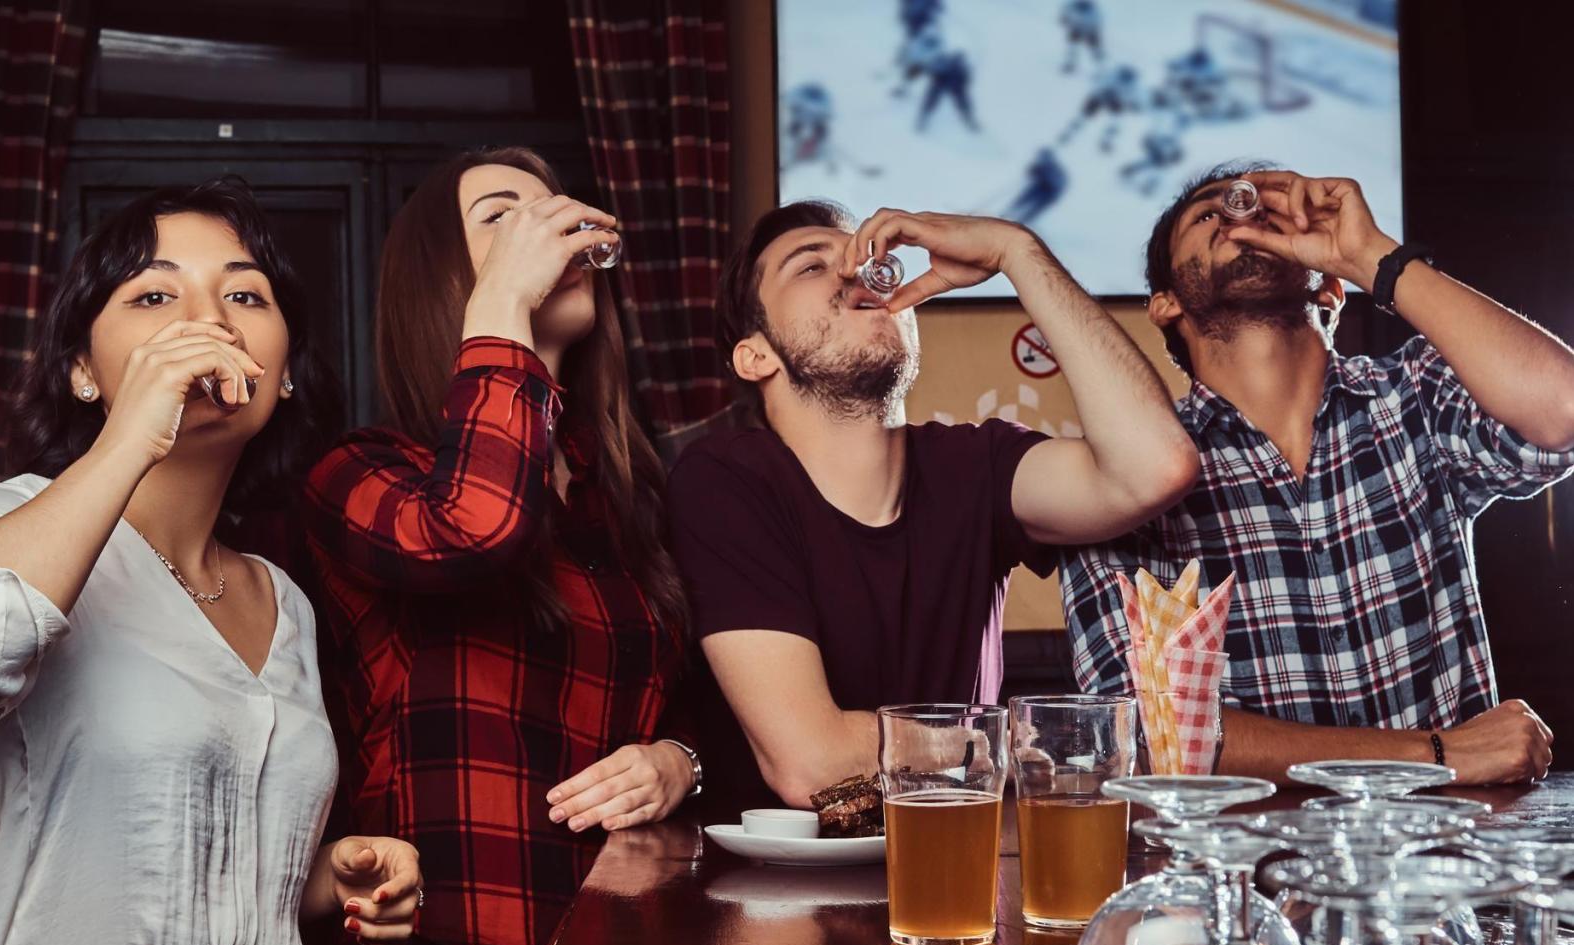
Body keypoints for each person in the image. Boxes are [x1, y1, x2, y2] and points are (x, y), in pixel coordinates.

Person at [0, 178, 421, 945]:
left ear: (287, 371)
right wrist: (133, 435)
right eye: (153, 297)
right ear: (83, 372)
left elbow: (208, 870)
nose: (208, 320)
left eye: (245, 294)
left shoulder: (285, 602)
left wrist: (334, 882)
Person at [669, 200, 1199, 814]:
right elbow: (810, 763)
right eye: (810, 268)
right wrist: (994, 748)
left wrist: (1016, 253)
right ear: (755, 355)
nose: (855, 273)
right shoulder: (726, 482)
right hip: (773, 894)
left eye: (866, 260)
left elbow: (1157, 467)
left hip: (962, 868)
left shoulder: (974, 465)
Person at [301, 147, 699, 945]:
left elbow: (690, 699)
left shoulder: (624, 485)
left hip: (628, 931)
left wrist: (678, 762)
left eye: (552, 208)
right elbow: (473, 531)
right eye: (503, 218)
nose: (549, 228)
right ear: (443, 280)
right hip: (455, 938)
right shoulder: (359, 470)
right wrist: (504, 303)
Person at [1062, 163, 1574, 784]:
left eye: (1266, 216)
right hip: (1243, 870)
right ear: (1164, 303)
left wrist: (1374, 260)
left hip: (1444, 863)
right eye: (1207, 215)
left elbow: (1563, 412)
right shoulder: (1126, 476)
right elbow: (1143, 730)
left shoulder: (1414, 391)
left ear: (1330, 288)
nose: (1240, 216)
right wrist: (1436, 754)